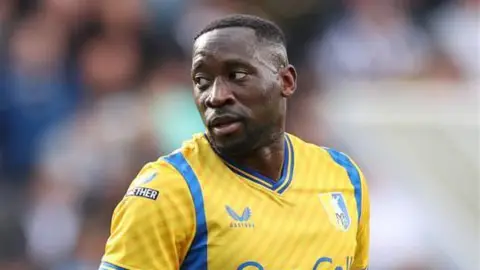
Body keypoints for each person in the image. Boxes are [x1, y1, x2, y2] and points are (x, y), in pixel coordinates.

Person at [99, 14, 370, 270]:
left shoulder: (344, 177)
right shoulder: (169, 191)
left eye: (237, 75)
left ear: (285, 82)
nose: (215, 96)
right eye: (202, 80)